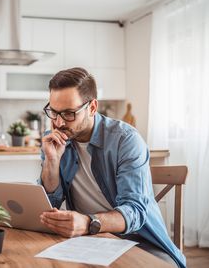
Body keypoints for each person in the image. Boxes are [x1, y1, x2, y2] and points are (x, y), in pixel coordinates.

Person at [39, 67, 186, 268]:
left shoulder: (126, 141)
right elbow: (50, 204)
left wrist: (88, 223)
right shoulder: (55, 139)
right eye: (53, 112)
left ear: (92, 107)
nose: (58, 122)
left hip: (139, 242)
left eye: (69, 113)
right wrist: (51, 162)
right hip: (87, 243)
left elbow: (135, 211)